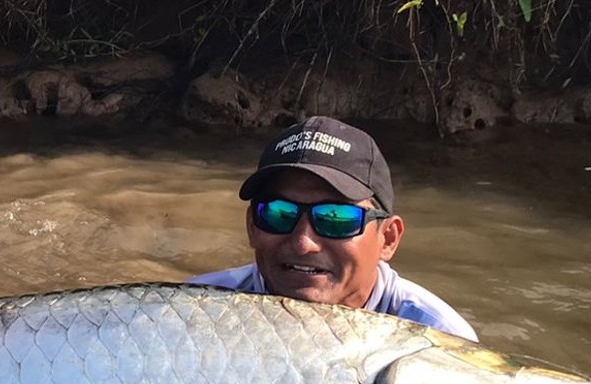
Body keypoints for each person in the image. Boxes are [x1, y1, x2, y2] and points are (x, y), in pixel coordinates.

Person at [186, 115, 477, 340]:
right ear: (251, 226)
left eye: (336, 217)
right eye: (278, 213)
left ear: (388, 238)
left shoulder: (440, 341)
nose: (303, 242)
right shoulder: (191, 314)